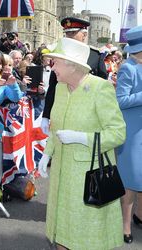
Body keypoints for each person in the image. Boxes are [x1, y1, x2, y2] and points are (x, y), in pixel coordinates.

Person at [38, 37, 126, 249]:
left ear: (71, 64)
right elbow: (56, 127)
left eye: (56, 62)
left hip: (87, 178)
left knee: (83, 238)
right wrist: (47, 153)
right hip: (61, 176)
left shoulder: (100, 88)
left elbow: (118, 133)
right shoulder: (59, 88)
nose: (52, 67)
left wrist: (82, 138)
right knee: (61, 232)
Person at [41, 17, 108, 135]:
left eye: (73, 33)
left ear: (84, 35)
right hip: (62, 114)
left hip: (86, 116)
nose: (69, 37)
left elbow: (102, 89)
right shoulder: (59, 56)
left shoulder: (95, 56)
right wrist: (46, 116)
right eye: (67, 34)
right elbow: (53, 87)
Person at [115, 25, 142, 244]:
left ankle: (140, 216)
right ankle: (125, 226)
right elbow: (121, 100)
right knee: (130, 183)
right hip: (132, 134)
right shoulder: (128, 68)